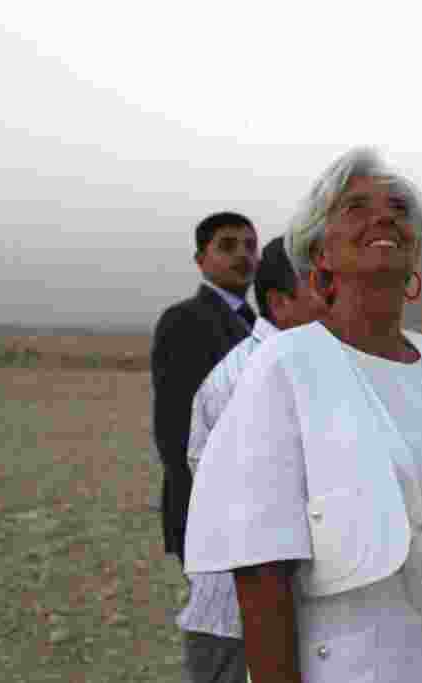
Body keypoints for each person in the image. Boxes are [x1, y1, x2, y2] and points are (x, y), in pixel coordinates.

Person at [185, 147, 422, 683]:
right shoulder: (288, 363)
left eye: (398, 208)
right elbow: (261, 577)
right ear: (319, 253)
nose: (384, 215)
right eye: (357, 207)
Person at [177, 236, 330, 683]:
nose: (339, 297)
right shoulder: (252, 377)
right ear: (281, 303)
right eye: (322, 284)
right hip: (241, 618)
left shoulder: (300, 364)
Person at [151, 212, 258, 680]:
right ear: (201, 259)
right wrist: (212, 512)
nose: (242, 255)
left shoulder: (257, 321)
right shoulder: (184, 321)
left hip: (252, 508)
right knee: (222, 642)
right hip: (209, 512)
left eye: (250, 245)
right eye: (228, 245)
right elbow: (175, 430)